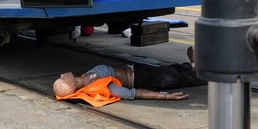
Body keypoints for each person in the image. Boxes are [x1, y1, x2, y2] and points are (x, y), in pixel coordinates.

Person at [52, 47, 205, 107]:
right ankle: (196, 65)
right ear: (71, 85)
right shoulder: (99, 86)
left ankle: (193, 65)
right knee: (192, 77)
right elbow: (132, 93)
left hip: (141, 71)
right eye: (62, 79)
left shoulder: (85, 77)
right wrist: (166, 97)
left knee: (177, 71)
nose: (61, 75)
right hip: (148, 80)